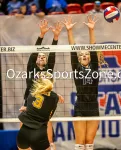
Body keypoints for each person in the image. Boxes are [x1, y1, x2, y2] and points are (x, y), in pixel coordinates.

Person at [22, 19, 63, 150]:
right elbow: (34, 52)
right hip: (29, 101)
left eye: (44, 56)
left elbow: (53, 54)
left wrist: (56, 37)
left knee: (46, 126)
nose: (42, 57)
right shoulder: (31, 68)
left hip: (44, 101)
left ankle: (49, 144)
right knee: (26, 128)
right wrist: (42, 35)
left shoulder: (49, 69)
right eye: (40, 56)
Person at [63, 15, 99, 150]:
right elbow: (73, 49)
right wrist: (69, 31)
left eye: (87, 54)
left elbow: (93, 48)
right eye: (81, 55)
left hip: (93, 107)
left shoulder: (95, 67)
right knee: (80, 142)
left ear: (90, 58)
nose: (84, 55)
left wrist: (91, 30)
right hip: (80, 107)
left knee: (89, 142)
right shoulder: (76, 68)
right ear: (78, 59)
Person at [17, 72, 64, 150]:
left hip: (23, 134)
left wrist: (26, 109)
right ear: (51, 82)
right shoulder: (54, 97)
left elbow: (35, 106)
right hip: (38, 134)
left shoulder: (32, 92)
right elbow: (48, 116)